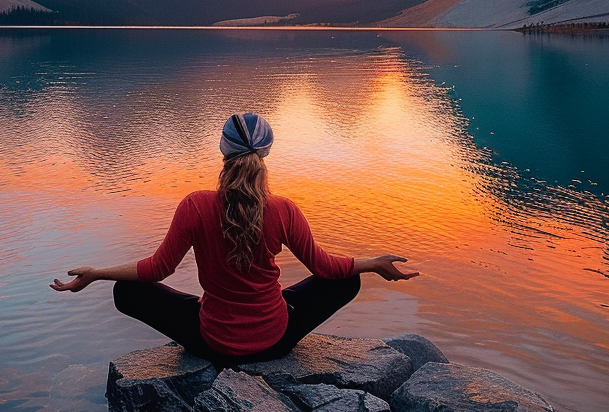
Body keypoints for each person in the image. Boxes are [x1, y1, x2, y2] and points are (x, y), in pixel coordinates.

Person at [51, 112, 418, 367]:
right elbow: (325, 267)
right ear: (267, 153)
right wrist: (373, 264)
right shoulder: (284, 210)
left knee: (126, 290)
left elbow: (157, 269)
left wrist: (98, 273)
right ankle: (256, 316)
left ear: (223, 151)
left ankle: (214, 312)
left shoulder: (195, 205)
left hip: (213, 343)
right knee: (345, 279)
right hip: (276, 339)